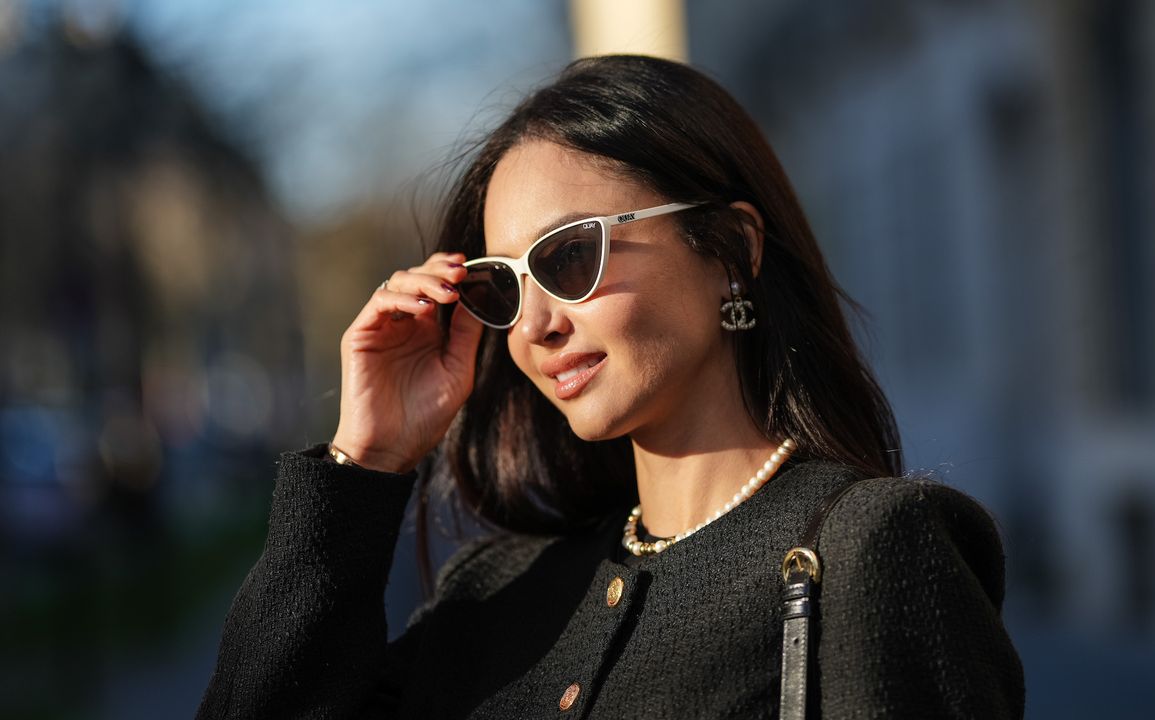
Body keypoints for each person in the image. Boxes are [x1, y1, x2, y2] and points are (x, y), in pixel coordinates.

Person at [196, 54, 1024, 719]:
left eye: (568, 258)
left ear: (732, 249)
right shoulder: (492, 596)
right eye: (502, 287)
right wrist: (363, 464)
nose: (532, 326)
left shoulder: (870, 552)